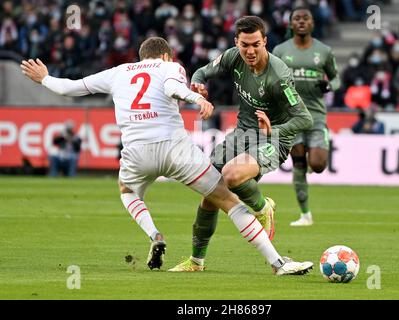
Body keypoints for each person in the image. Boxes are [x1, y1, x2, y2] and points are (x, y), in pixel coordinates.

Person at [20, 37, 313, 276]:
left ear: (141, 57)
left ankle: (155, 235)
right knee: (226, 200)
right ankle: (277, 263)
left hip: (136, 153)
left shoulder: (118, 72)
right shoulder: (170, 68)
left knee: (127, 192)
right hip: (175, 150)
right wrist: (196, 98)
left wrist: (44, 78)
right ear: (166, 56)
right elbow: (172, 88)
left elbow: (70, 88)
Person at [169, 16, 313, 272]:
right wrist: (199, 83)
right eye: (244, 44)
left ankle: (262, 207)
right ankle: (196, 261)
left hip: (273, 139)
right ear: (236, 42)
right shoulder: (233, 56)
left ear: (265, 42)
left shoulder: (279, 75)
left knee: (232, 175)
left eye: (256, 44)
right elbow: (203, 70)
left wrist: (274, 129)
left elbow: (304, 118)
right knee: (209, 193)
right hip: (242, 135)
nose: (250, 51)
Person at [272, 7, 340, 227]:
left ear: (312, 23)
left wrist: (329, 85)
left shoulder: (324, 51)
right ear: (291, 24)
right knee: (299, 163)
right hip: (291, 116)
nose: (301, 22)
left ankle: (313, 164)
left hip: (317, 115)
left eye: (305, 18)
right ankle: (305, 215)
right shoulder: (280, 50)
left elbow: (337, 78)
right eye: (296, 19)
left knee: (319, 164)